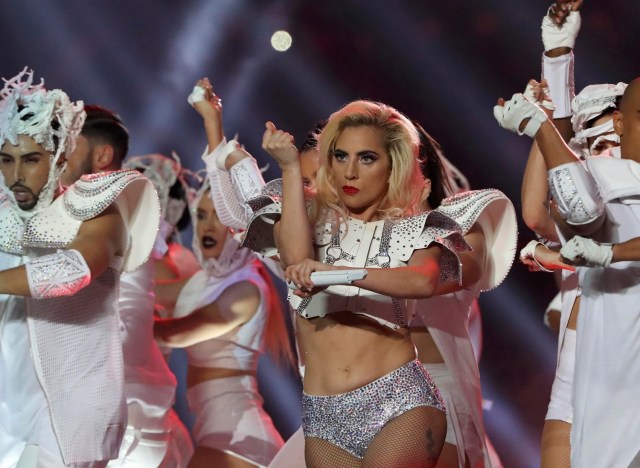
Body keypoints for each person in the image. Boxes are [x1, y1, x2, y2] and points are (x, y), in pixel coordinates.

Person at [244, 100, 470, 467]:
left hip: (399, 403)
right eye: (340, 156)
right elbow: (297, 257)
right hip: (323, 417)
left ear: (392, 165)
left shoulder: (415, 228)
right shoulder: (304, 216)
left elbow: (422, 281)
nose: (350, 172)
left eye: (367, 158)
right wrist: (288, 167)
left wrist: (336, 275)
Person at [0, 69, 159, 467]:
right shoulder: (4, 217)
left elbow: (71, 271)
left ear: (59, 157)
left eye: (31, 159)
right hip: (10, 410)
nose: (16, 175)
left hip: (70, 413)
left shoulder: (96, 210)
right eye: (6, 159)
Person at [494, 74, 640, 467]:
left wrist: (567, 256)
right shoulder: (586, 205)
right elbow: (535, 213)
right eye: (593, 146)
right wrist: (548, 121)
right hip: (578, 378)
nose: (603, 156)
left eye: (612, 143)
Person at [152, 84, 294, 467]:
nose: (208, 225)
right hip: (216, 439)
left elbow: (174, 332)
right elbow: (146, 291)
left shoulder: (248, 287)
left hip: (245, 444)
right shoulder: (202, 281)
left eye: (219, 215)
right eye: (201, 216)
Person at [61, 104, 194, 467]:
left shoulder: (115, 215)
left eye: (68, 144)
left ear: (102, 155)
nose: (57, 153)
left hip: (114, 408)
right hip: (117, 407)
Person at [409, 124, 516, 467]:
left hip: (439, 399)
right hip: (351, 406)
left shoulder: (461, 232)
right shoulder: (348, 237)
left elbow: (434, 278)